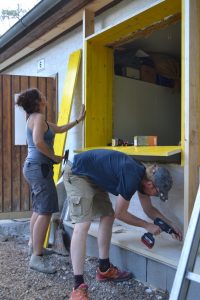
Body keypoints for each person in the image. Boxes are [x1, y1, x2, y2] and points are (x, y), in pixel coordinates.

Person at [63, 149, 182, 300]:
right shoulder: (132, 176)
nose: (157, 196)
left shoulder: (143, 179)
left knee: (108, 215)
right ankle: (78, 286)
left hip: (93, 176)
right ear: (150, 185)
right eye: (158, 193)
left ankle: (104, 269)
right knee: (83, 224)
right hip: (77, 172)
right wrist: (147, 226)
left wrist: (170, 225)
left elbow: (149, 209)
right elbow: (122, 213)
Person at [16, 88, 86, 274]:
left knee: (39, 210)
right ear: (38, 101)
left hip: (34, 168)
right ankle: (36, 257)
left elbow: (60, 128)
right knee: (45, 211)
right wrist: (55, 157)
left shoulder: (37, 119)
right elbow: (39, 142)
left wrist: (78, 120)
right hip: (39, 168)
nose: (44, 96)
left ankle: (34, 247)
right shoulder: (37, 118)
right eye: (41, 95)